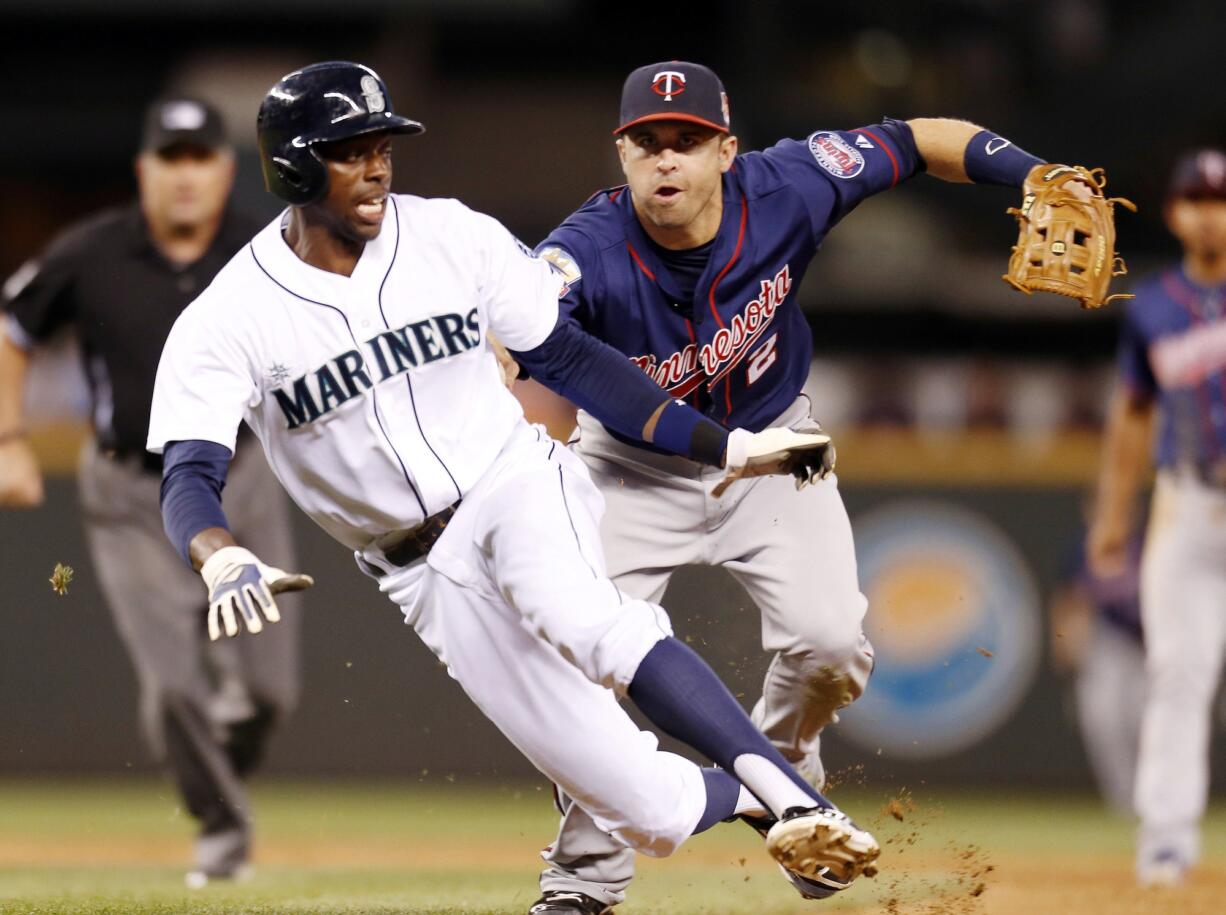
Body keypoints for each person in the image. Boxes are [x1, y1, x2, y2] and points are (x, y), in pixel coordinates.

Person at [146, 60, 883, 909]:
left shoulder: (451, 235)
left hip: (515, 483)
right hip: (417, 570)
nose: (379, 164)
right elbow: (189, 473)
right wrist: (218, 556)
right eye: (351, 150)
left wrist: (716, 445)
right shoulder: (229, 315)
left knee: (594, 624)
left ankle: (799, 799)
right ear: (293, 167)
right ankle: (767, 797)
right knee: (646, 808)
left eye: (383, 144)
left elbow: (570, 358)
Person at [522, 60, 1103, 913]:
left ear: (728, 149)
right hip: (628, 466)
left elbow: (915, 140)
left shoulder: (791, 183)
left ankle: (784, 786)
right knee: (586, 674)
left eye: (687, 141)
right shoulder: (584, 250)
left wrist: (1032, 172)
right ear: (622, 154)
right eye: (647, 143)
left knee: (831, 644)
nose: (666, 161)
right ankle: (583, 879)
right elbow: (520, 323)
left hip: (776, 448)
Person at [0, 97, 302, 885]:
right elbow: (12, 330)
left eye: (200, 156)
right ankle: (222, 834)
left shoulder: (265, 247)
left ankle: (214, 760)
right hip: (129, 491)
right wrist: (8, 440)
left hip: (240, 479)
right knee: (173, 686)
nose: (186, 174)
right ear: (145, 170)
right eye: (171, 158)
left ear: (226, 168)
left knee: (268, 689)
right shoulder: (90, 252)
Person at [1089, 148, 1226, 887]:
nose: (1210, 212)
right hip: (1188, 502)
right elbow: (1131, 417)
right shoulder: (1153, 308)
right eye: (1197, 199)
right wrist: (1113, 515)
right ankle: (1166, 841)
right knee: (1177, 671)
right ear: (1175, 213)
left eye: (1222, 199)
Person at [1049, 511, 1145, 816]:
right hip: (1109, 641)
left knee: (1145, 722)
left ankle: (1154, 798)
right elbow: (1069, 597)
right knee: (1102, 717)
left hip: (1151, 642)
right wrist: (1063, 641)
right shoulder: (1083, 546)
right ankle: (1124, 802)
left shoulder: (1149, 540)